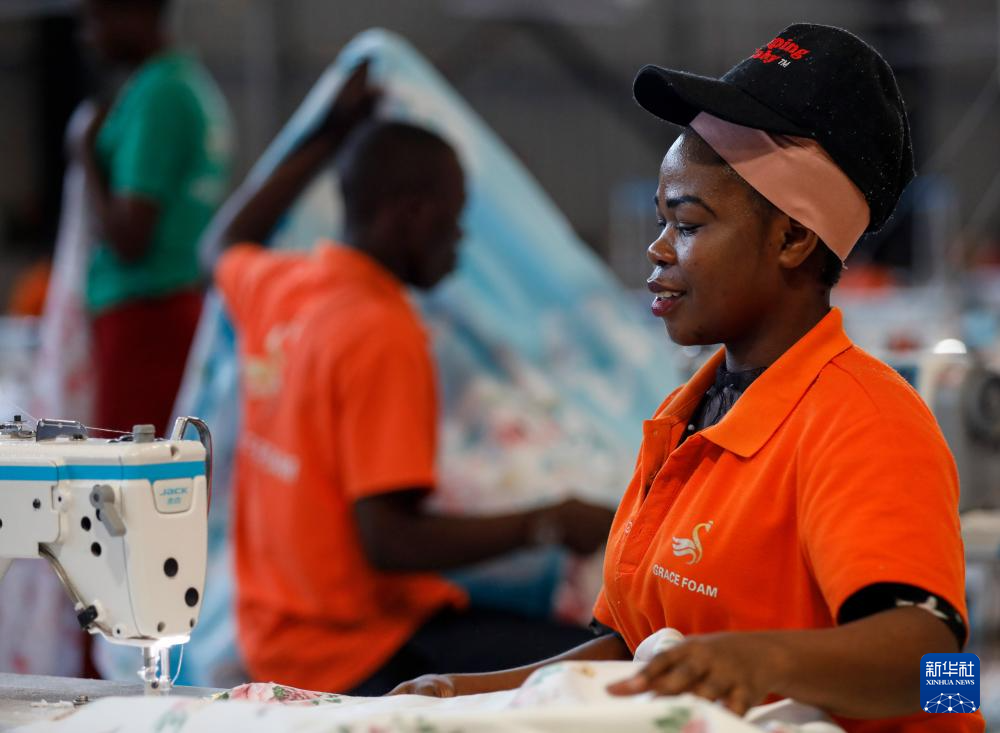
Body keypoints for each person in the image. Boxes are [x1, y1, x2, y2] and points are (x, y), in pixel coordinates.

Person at [391, 23, 984, 733]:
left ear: (793, 238)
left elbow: (945, 675)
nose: (657, 248)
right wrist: (470, 695)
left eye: (690, 224)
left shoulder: (863, 420)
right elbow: (637, 650)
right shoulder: (688, 418)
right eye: (662, 221)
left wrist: (757, 662)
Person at [203, 62, 615, 696]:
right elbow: (389, 541)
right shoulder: (382, 330)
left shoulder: (284, 287)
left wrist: (327, 135)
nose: (460, 241)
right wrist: (551, 523)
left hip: (271, 636)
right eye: (454, 219)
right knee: (606, 668)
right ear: (411, 216)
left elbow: (223, 243)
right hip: (354, 651)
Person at [77, 0, 233, 435]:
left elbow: (130, 236)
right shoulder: (189, 83)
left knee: (125, 463)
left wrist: (86, 154)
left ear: (138, 12)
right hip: (173, 303)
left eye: (97, 18)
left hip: (144, 315)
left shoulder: (157, 95)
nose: (88, 35)